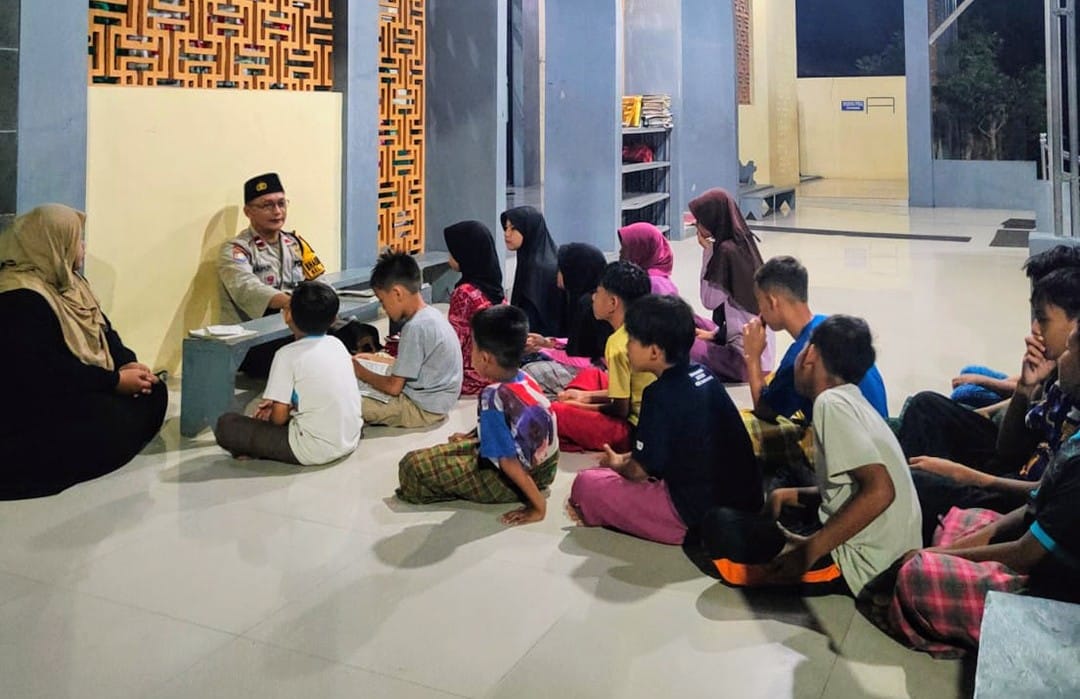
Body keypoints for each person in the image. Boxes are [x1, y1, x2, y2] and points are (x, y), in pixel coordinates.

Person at [876, 323, 1080, 658]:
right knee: (959, 520)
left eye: (1072, 349)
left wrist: (938, 556)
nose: (1063, 357)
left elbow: (1026, 554)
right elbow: (1029, 509)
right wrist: (948, 551)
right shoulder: (1074, 434)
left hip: (1050, 595)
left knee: (916, 575)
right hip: (1033, 545)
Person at [701, 315, 922, 597]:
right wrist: (789, 495)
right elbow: (851, 487)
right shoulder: (853, 399)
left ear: (811, 355)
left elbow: (881, 491)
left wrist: (806, 555)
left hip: (860, 565)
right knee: (777, 493)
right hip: (887, 553)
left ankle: (793, 560)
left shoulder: (830, 403)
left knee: (718, 526)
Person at [0, 204, 167, 499]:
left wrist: (128, 365)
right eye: (78, 239)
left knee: (155, 391)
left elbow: (105, 331)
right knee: (108, 421)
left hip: (88, 385)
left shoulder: (71, 282)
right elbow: (45, 372)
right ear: (54, 242)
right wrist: (114, 382)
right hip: (41, 403)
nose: (84, 247)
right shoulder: (19, 296)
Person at [567, 295, 763, 545]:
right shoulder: (705, 374)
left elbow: (637, 472)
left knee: (587, 484)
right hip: (746, 502)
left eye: (632, 340)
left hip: (694, 515)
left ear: (654, 351)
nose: (627, 347)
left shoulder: (658, 394)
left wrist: (617, 464)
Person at [904, 267, 1080, 543]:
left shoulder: (1072, 380)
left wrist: (963, 475)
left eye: (1043, 319)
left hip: (1020, 500)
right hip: (1016, 471)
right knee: (925, 406)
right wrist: (1025, 388)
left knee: (917, 481)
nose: (1034, 329)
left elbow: (1046, 493)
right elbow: (1007, 451)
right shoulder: (1059, 377)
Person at [396, 305, 560, 525]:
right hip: (547, 467)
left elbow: (508, 462)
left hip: (517, 478)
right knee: (453, 447)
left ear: (484, 358)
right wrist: (473, 435)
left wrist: (538, 507)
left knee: (412, 467)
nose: (469, 353)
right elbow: (513, 424)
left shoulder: (492, 395)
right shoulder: (524, 377)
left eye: (472, 346)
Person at [214, 281, 362, 465]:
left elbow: (278, 418)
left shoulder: (286, 355)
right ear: (333, 319)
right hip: (349, 439)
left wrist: (271, 414)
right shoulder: (337, 344)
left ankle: (255, 450)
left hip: (312, 450)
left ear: (287, 315)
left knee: (227, 425)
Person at [745, 256, 888, 422]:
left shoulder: (802, 356)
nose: (759, 312)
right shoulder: (827, 324)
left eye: (759, 302)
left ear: (772, 301)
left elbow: (765, 412)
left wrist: (753, 357)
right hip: (879, 428)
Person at [618, 220, 762, 382]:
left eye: (625, 249)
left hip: (739, 359)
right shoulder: (655, 275)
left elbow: (706, 302)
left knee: (682, 347)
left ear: (641, 249)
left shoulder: (653, 283)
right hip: (726, 339)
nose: (621, 254)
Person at [218, 172, 326, 376]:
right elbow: (248, 288)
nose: (277, 211)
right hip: (254, 340)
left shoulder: (294, 243)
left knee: (350, 335)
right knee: (309, 355)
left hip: (293, 326)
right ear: (248, 211)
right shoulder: (236, 249)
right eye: (267, 205)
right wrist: (295, 304)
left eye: (281, 204)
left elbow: (317, 280)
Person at [551, 261, 653, 452]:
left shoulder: (617, 343)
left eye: (598, 293)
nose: (593, 298)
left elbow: (620, 410)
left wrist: (580, 405)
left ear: (613, 303)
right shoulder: (646, 326)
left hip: (631, 431)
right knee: (592, 374)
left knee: (556, 411)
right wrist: (585, 396)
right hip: (645, 411)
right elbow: (629, 392)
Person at [353, 251, 462, 428]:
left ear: (397, 293)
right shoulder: (431, 314)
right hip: (438, 401)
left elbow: (393, 387)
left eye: (382, 301)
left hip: (421, 409)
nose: (384, 308)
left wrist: (360, 371)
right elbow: (415, 362)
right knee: (376, 359)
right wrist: (373, 360)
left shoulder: (415, 327)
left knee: (348, 399)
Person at [689, 188, 775, 382]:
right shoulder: (743, 241)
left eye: (699, 221)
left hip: (747, 361)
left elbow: (709, 301)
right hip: (752, 346)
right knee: (689, 320)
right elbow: (738, 312)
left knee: (679, 343)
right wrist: (715, 335)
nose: (697, 226)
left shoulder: (726, 251)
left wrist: (708, 252)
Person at [522, 243, 612, 396]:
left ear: (575, 272)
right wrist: (549, 342)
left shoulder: (591, 304)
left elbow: (584, 357)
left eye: (561, 270)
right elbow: (581, 343)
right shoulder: (584, 297)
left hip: (597, 373)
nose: (557, 274)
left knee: (529, 372)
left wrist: (544, 350)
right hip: (592, 367)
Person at [444, 220, 505, 396]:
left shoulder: (464, 293)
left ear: (466, 254)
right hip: (497, 372)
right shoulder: (494, 286)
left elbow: (455, 343)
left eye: (453, 251)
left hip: (471, 378)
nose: (449, 257)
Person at [501, 206, 563, 337]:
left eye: (513, 228)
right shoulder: (531, 258)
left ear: (529, 230)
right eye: (506, 228)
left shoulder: (538, 268)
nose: (507, 234)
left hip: (540, 342)